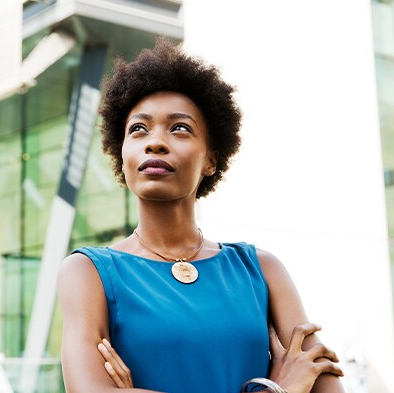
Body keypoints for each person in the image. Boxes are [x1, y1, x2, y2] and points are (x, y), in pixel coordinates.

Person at [57, 38, 345, 393]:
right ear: (122, 154)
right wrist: (275, 389)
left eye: (179, 128)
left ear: (211, 158)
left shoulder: (263, 269)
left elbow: (324, 384)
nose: (155, 142)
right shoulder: (88, 272)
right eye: (138, 129)